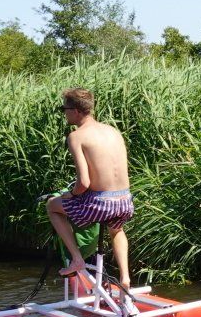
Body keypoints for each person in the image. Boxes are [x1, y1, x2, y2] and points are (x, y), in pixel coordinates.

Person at [43, 88, 135, 287]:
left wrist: (70, 194)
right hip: (125, 202)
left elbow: (83, 183)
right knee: (116, 230)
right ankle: (125, 277)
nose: (64, 113)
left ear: (76, 111)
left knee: (52, 206)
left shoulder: (76, 136)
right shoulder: (113, 131)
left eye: (64, 109)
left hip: (100, 205)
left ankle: (77, 259)